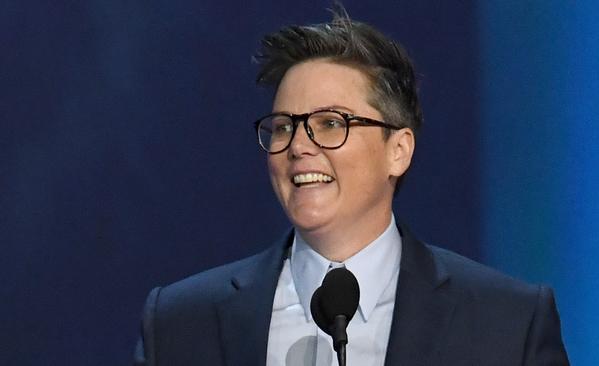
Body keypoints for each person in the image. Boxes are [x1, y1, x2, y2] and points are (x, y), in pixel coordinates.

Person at [134, 9, 569, 366]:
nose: (299, 146)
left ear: (398, 150)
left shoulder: (508, 324)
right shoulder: (180, 324)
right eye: (284, 126)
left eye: (330, 123)